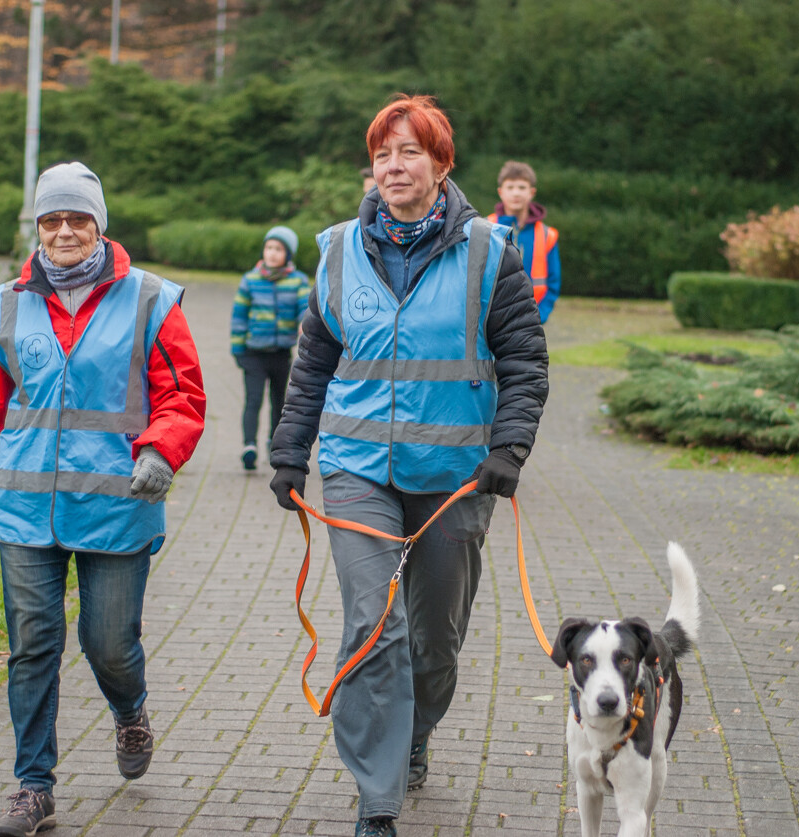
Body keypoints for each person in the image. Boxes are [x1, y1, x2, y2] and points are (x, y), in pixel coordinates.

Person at [269, 95, 549, 837]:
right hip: (357, 469)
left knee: (434, 641)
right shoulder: (336, 249)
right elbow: (314, 361)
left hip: (457, 474)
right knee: (373, 623)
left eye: (410, 153)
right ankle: (378, 797)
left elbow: (524, 360)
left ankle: (416, 728)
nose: (394, 167)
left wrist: (509, 448)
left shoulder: (490, 252)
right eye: (383, 154)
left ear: (441, 163)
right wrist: (289, 452)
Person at [0, 161, 206, 837]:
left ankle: (130, 713)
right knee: (32, 644)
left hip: (116, 506)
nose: (64, 231)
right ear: (37, 227)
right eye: (51, 219)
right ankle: (34, 786)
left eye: (77, 219)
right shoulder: (6, 304)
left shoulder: (151, 300)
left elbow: (183, 395)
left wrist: (161, 448)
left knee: (108, 643)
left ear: (99, 226)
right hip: (25, 508)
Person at [230, 225, 310, 470]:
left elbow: (305, 309)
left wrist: (303, 325)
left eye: (278, 249)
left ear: (288, 254)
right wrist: (237, 348)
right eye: (269, 247)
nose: (272, 253)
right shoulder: (251, 280)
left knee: (280, 402)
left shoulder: (298, 281)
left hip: (280, 354)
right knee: (253, 400)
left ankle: (274, 443)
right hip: (253, 353)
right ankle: (249, 446)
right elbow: (239, 316)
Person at [487, 160, 562, 324]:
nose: (516, 193)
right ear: (500, 192)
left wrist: (539, 317)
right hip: (492, 320)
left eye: (521, 187)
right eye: (510, 187)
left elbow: (553, 283)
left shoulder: (547, 235)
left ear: (532, 192)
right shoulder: (485, 228)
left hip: (532, 320)